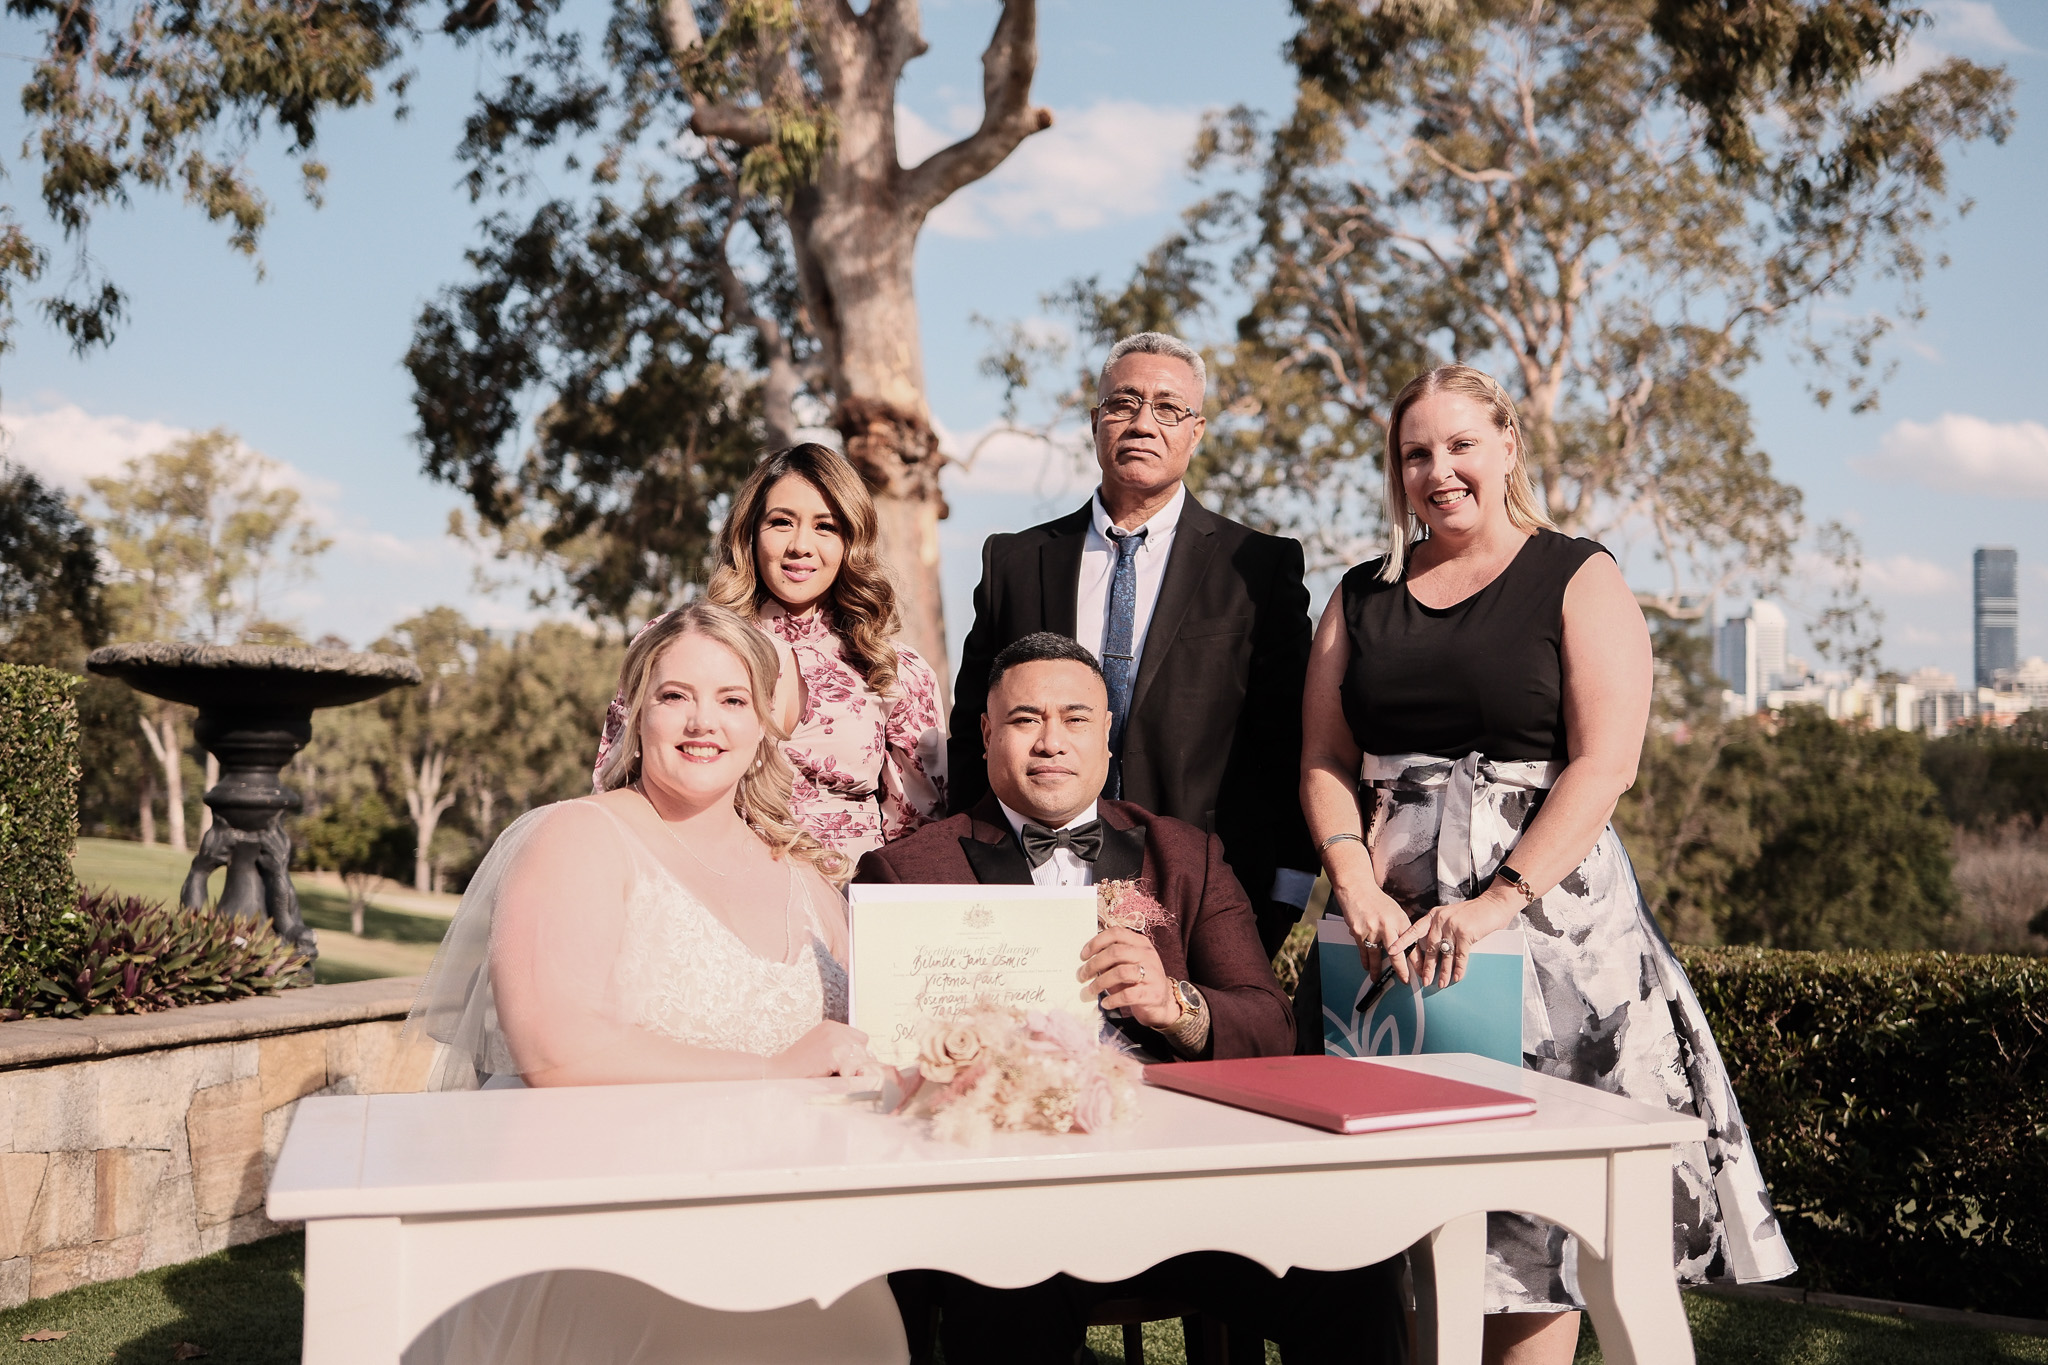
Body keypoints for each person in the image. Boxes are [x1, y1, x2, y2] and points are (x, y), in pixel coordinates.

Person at [1299, 365, 1796, 1365]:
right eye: (1413, 455)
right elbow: (1319, 758)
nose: (1437, 471)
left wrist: (1494, 903)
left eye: (1458, 446)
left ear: (1507, 447)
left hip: (1551, 939)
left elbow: (1605, 762)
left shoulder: (1577, 574)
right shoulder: (1359, 596)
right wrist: (1351, 880)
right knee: (1405, 1204)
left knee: (1538, 1219)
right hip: (1389, 936)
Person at [863, 632, 1405, 1365]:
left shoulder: (1184, 854)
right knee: (996, 1285)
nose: (1051, 740)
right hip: (1007, 1199)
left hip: (1187, 1193)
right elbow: (882, 1066)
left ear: (1107, 733)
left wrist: (1177, 1004)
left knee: (1355, 1263)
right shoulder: (908, 871)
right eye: (1025, 719)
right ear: (987, 734)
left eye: (1075, 718)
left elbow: (1268, 1024)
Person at [404, 602, 905, 1365]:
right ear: (635, 713)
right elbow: (554, 1050)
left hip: (780, 1205)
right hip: (598, 1203)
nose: (704, 721)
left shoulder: (808, 881)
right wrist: (772, 1070)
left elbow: (871, 1041)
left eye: (732, 699)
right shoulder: (577, 837)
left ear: (765, 724)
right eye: (676, 696)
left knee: (868, 1324)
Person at [946, 333, 1316, 956]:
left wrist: (1287, 890)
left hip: (1207, 888)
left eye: (1168, 408)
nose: (1144, 422)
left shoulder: (1258, 567)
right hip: (1028, 882)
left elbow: (1289, 741)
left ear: (1196, 430)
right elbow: (971, 731)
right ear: (1095, 423)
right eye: (1124, 403)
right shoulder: (1015, 561)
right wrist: (965, 862)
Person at [595, 443, 946, 862]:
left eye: (826, 527)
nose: (800, 545)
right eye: (781, 522)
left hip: (848, 898)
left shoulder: (897, 670)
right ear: (751, 532)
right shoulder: (677, 642)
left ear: (852, 541)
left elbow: (920, 831)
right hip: (708, 878)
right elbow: (614, 780)